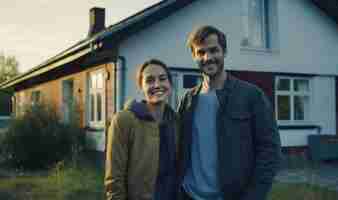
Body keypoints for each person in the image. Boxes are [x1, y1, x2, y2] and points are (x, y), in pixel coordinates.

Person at [177, 25, 281, 200]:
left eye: (213, 50)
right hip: (190, 195)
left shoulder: (251, 95)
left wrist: (253, 196)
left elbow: (270, 152)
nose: (208, 57)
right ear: (194, 56)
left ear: (224, 51)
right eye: (200, 52)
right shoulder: (187, 100)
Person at [105, 59, 180, 200]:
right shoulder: (124, 121)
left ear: (170, 84)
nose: (157, 85)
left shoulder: (176, 121)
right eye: (150, 80)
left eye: (162, 79)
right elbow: (114, 179)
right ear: (141, 86)